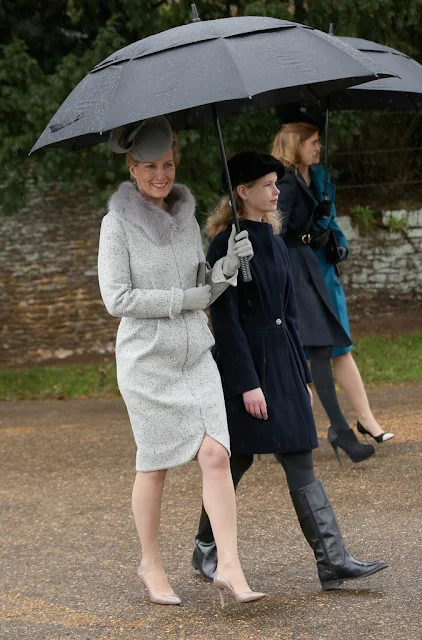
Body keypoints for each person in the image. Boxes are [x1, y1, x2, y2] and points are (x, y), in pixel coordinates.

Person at [191, 151, 387, 591]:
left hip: (283, 362)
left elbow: (290, 314)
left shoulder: (276, 242)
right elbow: (226, 322)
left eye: (276, 183)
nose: (276, 191)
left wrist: (303, 376)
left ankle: (333, 561)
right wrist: (247, 385)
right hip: (248, 368)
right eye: (266, 184)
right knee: (235, 460)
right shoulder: (225, 246)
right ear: (243, 192)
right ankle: (206, 547)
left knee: (299, 456)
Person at [98, 116, 264, 607]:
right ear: (132, 168)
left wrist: (227, 268)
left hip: (196, 355)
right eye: (149, 166)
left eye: (167, 164)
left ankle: (228, 564)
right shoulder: (117, 225)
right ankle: (150, 563)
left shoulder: (187, 218)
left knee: (216, 453)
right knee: (156, 467)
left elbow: (202, 287)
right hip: (147, 362)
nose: (160, 175)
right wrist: (184, 297)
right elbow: (117, 298)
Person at [271, 119, 393, 464]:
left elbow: (317, 223)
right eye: (312, 142)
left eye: (318, 142)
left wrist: (329, 233)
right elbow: (276, 230)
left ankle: (325, 430)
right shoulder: (285, 181)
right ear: (295, 144)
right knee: (308, 349)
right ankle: (323, 430)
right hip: (292, 269)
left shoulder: (309, 178)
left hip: (310, 265)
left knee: (318, 348)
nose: (318, 147)